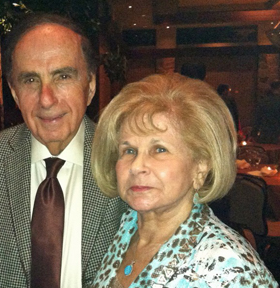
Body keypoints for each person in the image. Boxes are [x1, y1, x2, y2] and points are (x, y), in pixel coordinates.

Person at [0, 13, 127, 287]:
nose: (46, 98)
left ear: (90, 86)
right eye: (30, 80)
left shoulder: (127, 161)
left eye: (63, 76)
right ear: (15, 93)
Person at [90, 73, 278, 287]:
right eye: (129, 150)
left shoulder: (226, 266)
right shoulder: (128, 225)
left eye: (159, 149)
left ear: (201, 165)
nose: (136, 166)